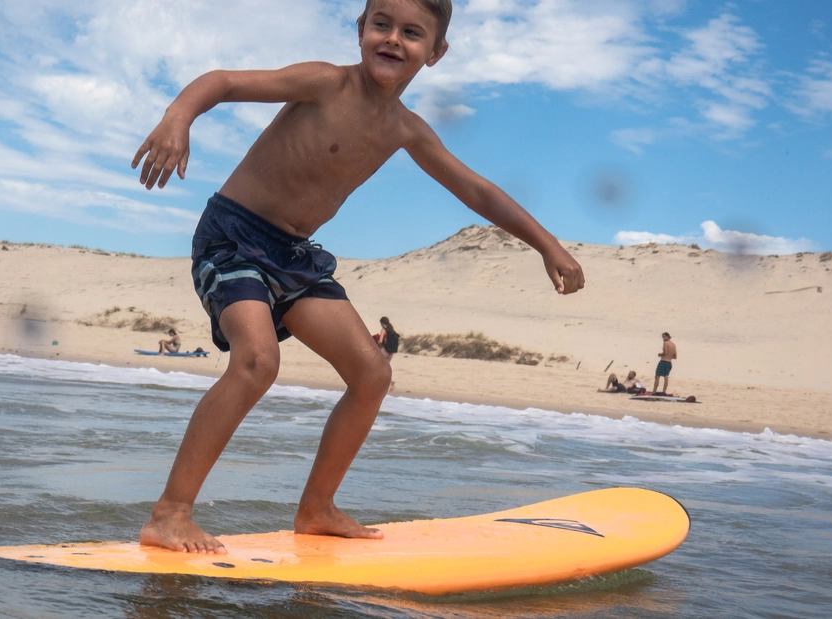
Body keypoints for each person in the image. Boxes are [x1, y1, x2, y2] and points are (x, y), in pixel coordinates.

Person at [130, 0, 584, 554]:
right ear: (361, 31)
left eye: (412, 32)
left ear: (435, 53)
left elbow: (476, 190)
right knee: (256, 360)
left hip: (294, 256)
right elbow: (223, 81)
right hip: (234, 238)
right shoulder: (325, 83)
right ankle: (170, 513)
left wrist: (547, 244)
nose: (393, 38)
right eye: (381, 24)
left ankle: (317, 509)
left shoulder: (406, 129)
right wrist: (178, 117)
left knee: (371, 372)